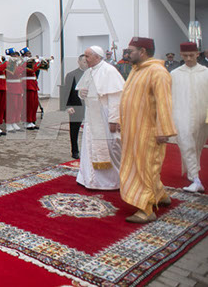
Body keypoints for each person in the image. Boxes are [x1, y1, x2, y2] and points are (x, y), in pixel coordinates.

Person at [120, 37, 177, 223]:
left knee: (145, 168)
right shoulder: (136, 70)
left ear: (142, 51)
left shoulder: (157, 72)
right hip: (133, 130)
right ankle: (160, 195)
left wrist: (163, 130)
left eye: (130, 50)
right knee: (139, 166)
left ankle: (146, 210)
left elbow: (164, 103)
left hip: (149, 132)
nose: (127, 54)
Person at [76, 46, 125, 190]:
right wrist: (81, 94)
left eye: (87, 56)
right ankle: (88, 178)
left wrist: (114, 120)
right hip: (91, 114)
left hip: (104, 114)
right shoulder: (89, 71)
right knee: (88, 146)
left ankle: (110, 181)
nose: (85, 59)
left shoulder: (109, 71)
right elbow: (82, 90)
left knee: (110, 147)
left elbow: (116, 99)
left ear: (97, 57)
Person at [171, 42, 208, 193]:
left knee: (197, 145)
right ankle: (196, 179)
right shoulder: (174, 74)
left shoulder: (206, 72)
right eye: (185, 56)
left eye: (191, 55)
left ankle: (193, 173)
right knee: (186, 142)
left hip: (202, 114)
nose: (188, 58)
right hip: (181, 113)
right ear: (181, 55)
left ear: (197, 54)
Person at [59, 54, 87, 158]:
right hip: (76, 106)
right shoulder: (72, 75)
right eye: (84, 62)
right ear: (79, 62)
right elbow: (66, 92)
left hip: (89, 106)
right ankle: (75, 150)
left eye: (87, 62)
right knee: (74, 129)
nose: (86, 64)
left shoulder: (92, 73)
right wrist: (68, 106)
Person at [4, 48, 24, 132]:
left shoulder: (16, 64)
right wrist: (22, 64)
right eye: (14, 55)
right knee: (12, 106)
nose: (16, 57)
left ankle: (15, 121)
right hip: (11, 87)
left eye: (16, 55)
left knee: (18, 106)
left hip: (18, 86)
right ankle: (9, 123)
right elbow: (16, 72)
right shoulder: (9, 64)